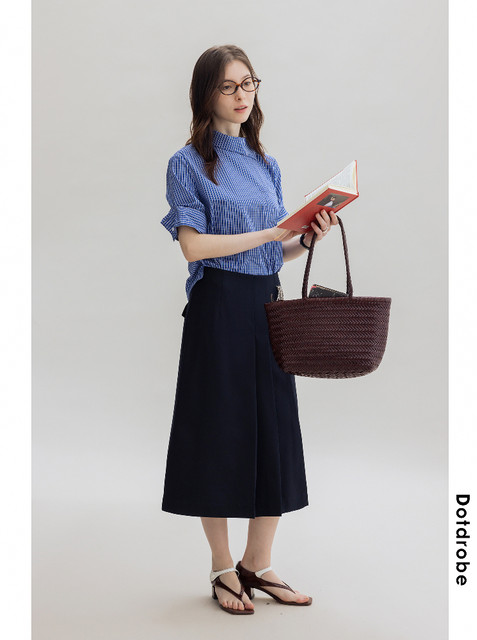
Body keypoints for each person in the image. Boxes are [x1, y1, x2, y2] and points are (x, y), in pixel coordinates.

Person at [160, 44, 338, 615]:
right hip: (218, 308)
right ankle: (221, 566)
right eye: (229, 86)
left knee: (274, 429)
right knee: (217, 431)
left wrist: (303, 239)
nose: (243, 96)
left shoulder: (266, 163)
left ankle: (257, 564)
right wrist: (268, 235)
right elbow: (193, 247)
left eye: (250, 83)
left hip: (266, 304)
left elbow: (270, 254)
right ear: (206, 94)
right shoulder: (188, 162)